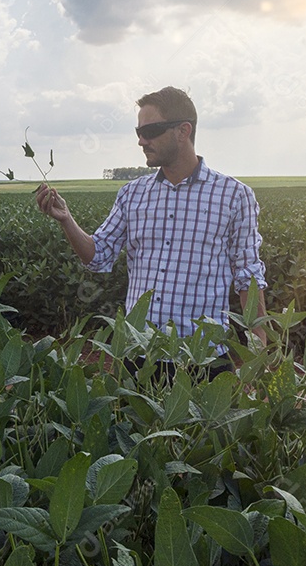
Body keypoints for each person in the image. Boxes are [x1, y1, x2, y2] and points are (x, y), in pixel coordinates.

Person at [35, 86, 267, 368]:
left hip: (203, 359)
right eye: (138, 132)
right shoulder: (132, 194)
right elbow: (98, 256)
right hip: (137, 357)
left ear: (183, 131)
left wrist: (257, 347)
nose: (142, 141)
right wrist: (66, 219)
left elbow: (248, 276)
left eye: (151, 131)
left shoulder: (233, 195)